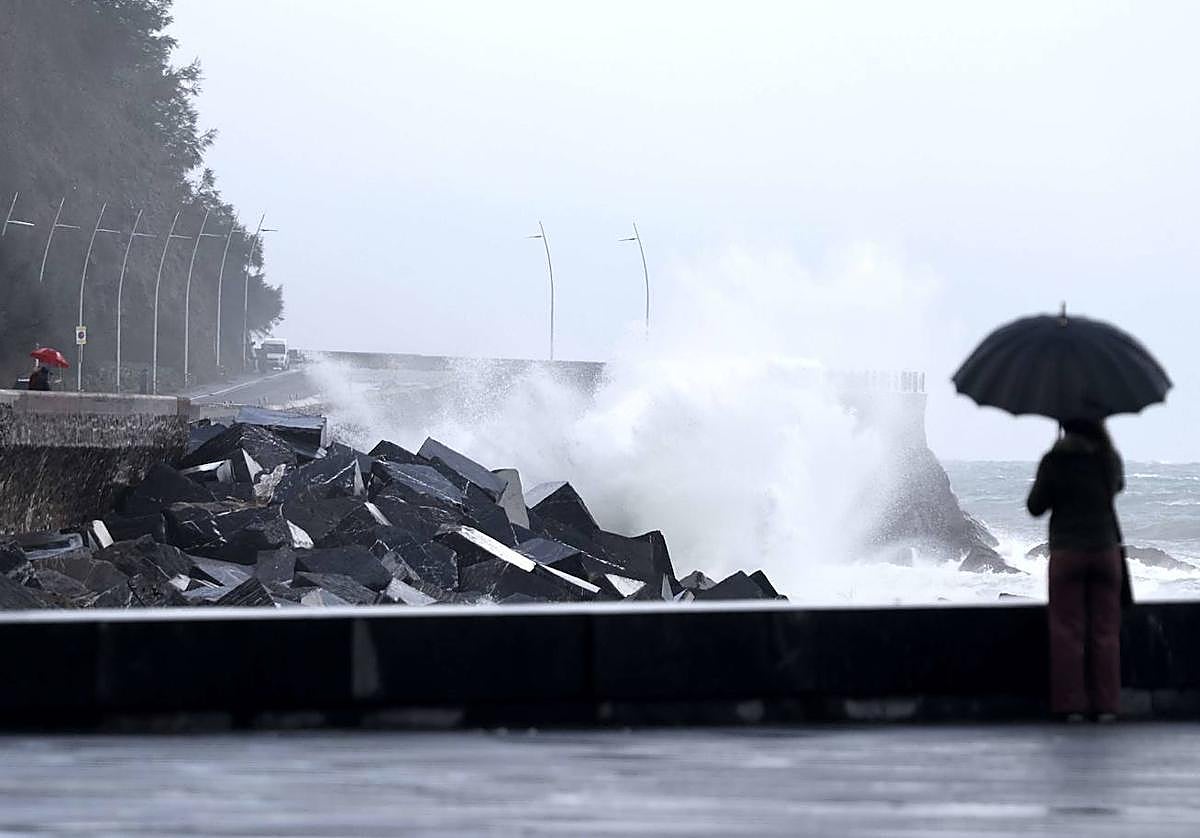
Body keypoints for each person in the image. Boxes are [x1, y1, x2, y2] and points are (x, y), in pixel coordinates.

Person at [1027, 419, 1125, 723]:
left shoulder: (1054, 460)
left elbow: (1035, 506)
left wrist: (1053, 464)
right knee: (1105, 631)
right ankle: (1106, 706)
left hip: (1068, 552)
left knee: (1067, 631)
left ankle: (1072, 707)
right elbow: (1117, 486)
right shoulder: (1107, 457)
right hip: (1105, 551)